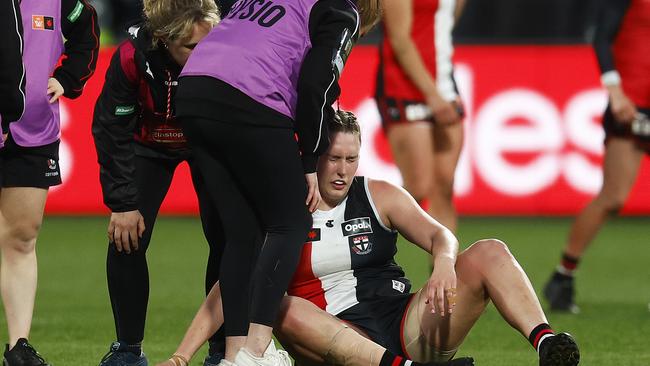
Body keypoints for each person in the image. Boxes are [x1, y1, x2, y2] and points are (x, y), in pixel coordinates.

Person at [157, 110, 581, 366]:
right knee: (280, 305)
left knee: (489, 250)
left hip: (405, 326)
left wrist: (445, 262)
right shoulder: (282, 211)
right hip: (334, 345)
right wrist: (182, 354)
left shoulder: (376, 194)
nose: (343, 170)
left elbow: (441, 235)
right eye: (333, 159)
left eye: (351, 158)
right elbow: (230, 286)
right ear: (313, 159)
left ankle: (545, 341)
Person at [175, 1, 382, 366]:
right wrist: (308, 158)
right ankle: (256, 349)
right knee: (291, 220)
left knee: (242, 232)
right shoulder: (340, 10)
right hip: (250, 94)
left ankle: (235, 353)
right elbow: (318, 82)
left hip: (192, 91)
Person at [91, 1, 224, 365]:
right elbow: (111, 129)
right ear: (164, 39)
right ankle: (128, 351)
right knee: (126, 237)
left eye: (208, 44)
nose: (205, 54)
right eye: (192, 48)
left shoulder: (228, 49)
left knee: (230, 239)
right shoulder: (131, 58)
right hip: (148, 145)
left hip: (210, 144)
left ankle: (223, 351)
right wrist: (122, 204)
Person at [0, 0, 99, 365]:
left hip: (33, 132)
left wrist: (68, 78)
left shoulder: (60, 2)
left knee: (23, 235)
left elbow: (86, 28)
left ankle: (18, 346)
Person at [543, 0, 650, 313]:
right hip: (630, 105)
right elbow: (601, 36)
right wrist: (615, 93)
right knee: (613, 197)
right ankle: (563, 276)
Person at [375, 0, 465, 233]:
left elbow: (446, 20)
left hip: (444, 82)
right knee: (417, 187)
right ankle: (365, 253)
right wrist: (432, 96)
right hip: (403, 86)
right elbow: (400, 40)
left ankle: (444, 268)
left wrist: (440, 91)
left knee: (444, 186)